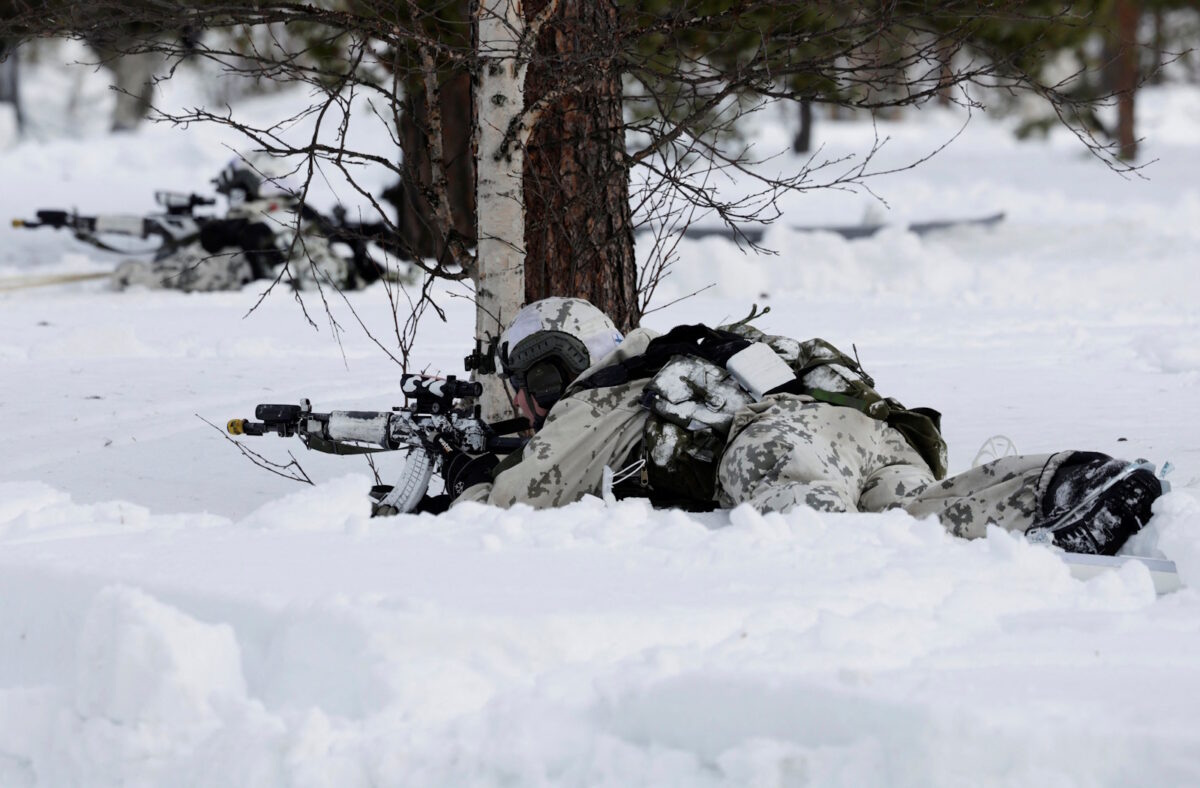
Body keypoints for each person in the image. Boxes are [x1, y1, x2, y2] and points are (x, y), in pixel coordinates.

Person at [433, 297, 1163, 556]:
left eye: (526, 388)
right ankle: (1067, 482)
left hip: (776, 441)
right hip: (876, 429)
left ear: (550, 370)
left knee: (825, 563)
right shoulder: (685, 353)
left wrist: (462, 485)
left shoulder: (599, 398)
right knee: (919, 527)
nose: (527, 409)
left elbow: (510, 508)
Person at [113, 154, 378, 292]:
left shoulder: (270, 225)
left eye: (235, 188)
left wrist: (135, 276)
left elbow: (194, 274)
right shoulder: (294, 217)